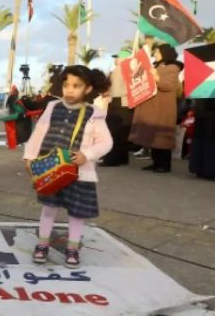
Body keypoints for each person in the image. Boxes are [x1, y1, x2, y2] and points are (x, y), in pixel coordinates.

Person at [24, 66, 113, 268]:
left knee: (76, 213)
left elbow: (106, 143)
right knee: (48, 209)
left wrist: (86, 155)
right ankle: (42, 244)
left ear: (88, 89)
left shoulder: (94, 114)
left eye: (76, 86)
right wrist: (29, 157)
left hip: (79, 175)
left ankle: (72, 248)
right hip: (50, 170)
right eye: (66, 85)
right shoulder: (53, 107)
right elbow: (38, 134)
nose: (70, 90)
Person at [129, 44, 183, 173]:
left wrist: (156, 77)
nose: (155, 54)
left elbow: (169, 86)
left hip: (163, 108)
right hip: (154, 107)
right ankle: (156, 162)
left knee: (162, 138)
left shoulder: (172, 68)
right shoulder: (158, 66)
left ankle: (164, 165)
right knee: (153, 137)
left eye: (158, 52)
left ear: (165, 53)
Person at [103, 50, 133, 166]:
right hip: (123, 102)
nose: (115, 59)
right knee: (122, 132)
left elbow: (118, 88)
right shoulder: (125, 70)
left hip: (118, 101)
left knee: (114, 131)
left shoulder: (121, 70)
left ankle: (113, 159)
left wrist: (109, 93)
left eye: (117, 57)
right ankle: (122, 158)